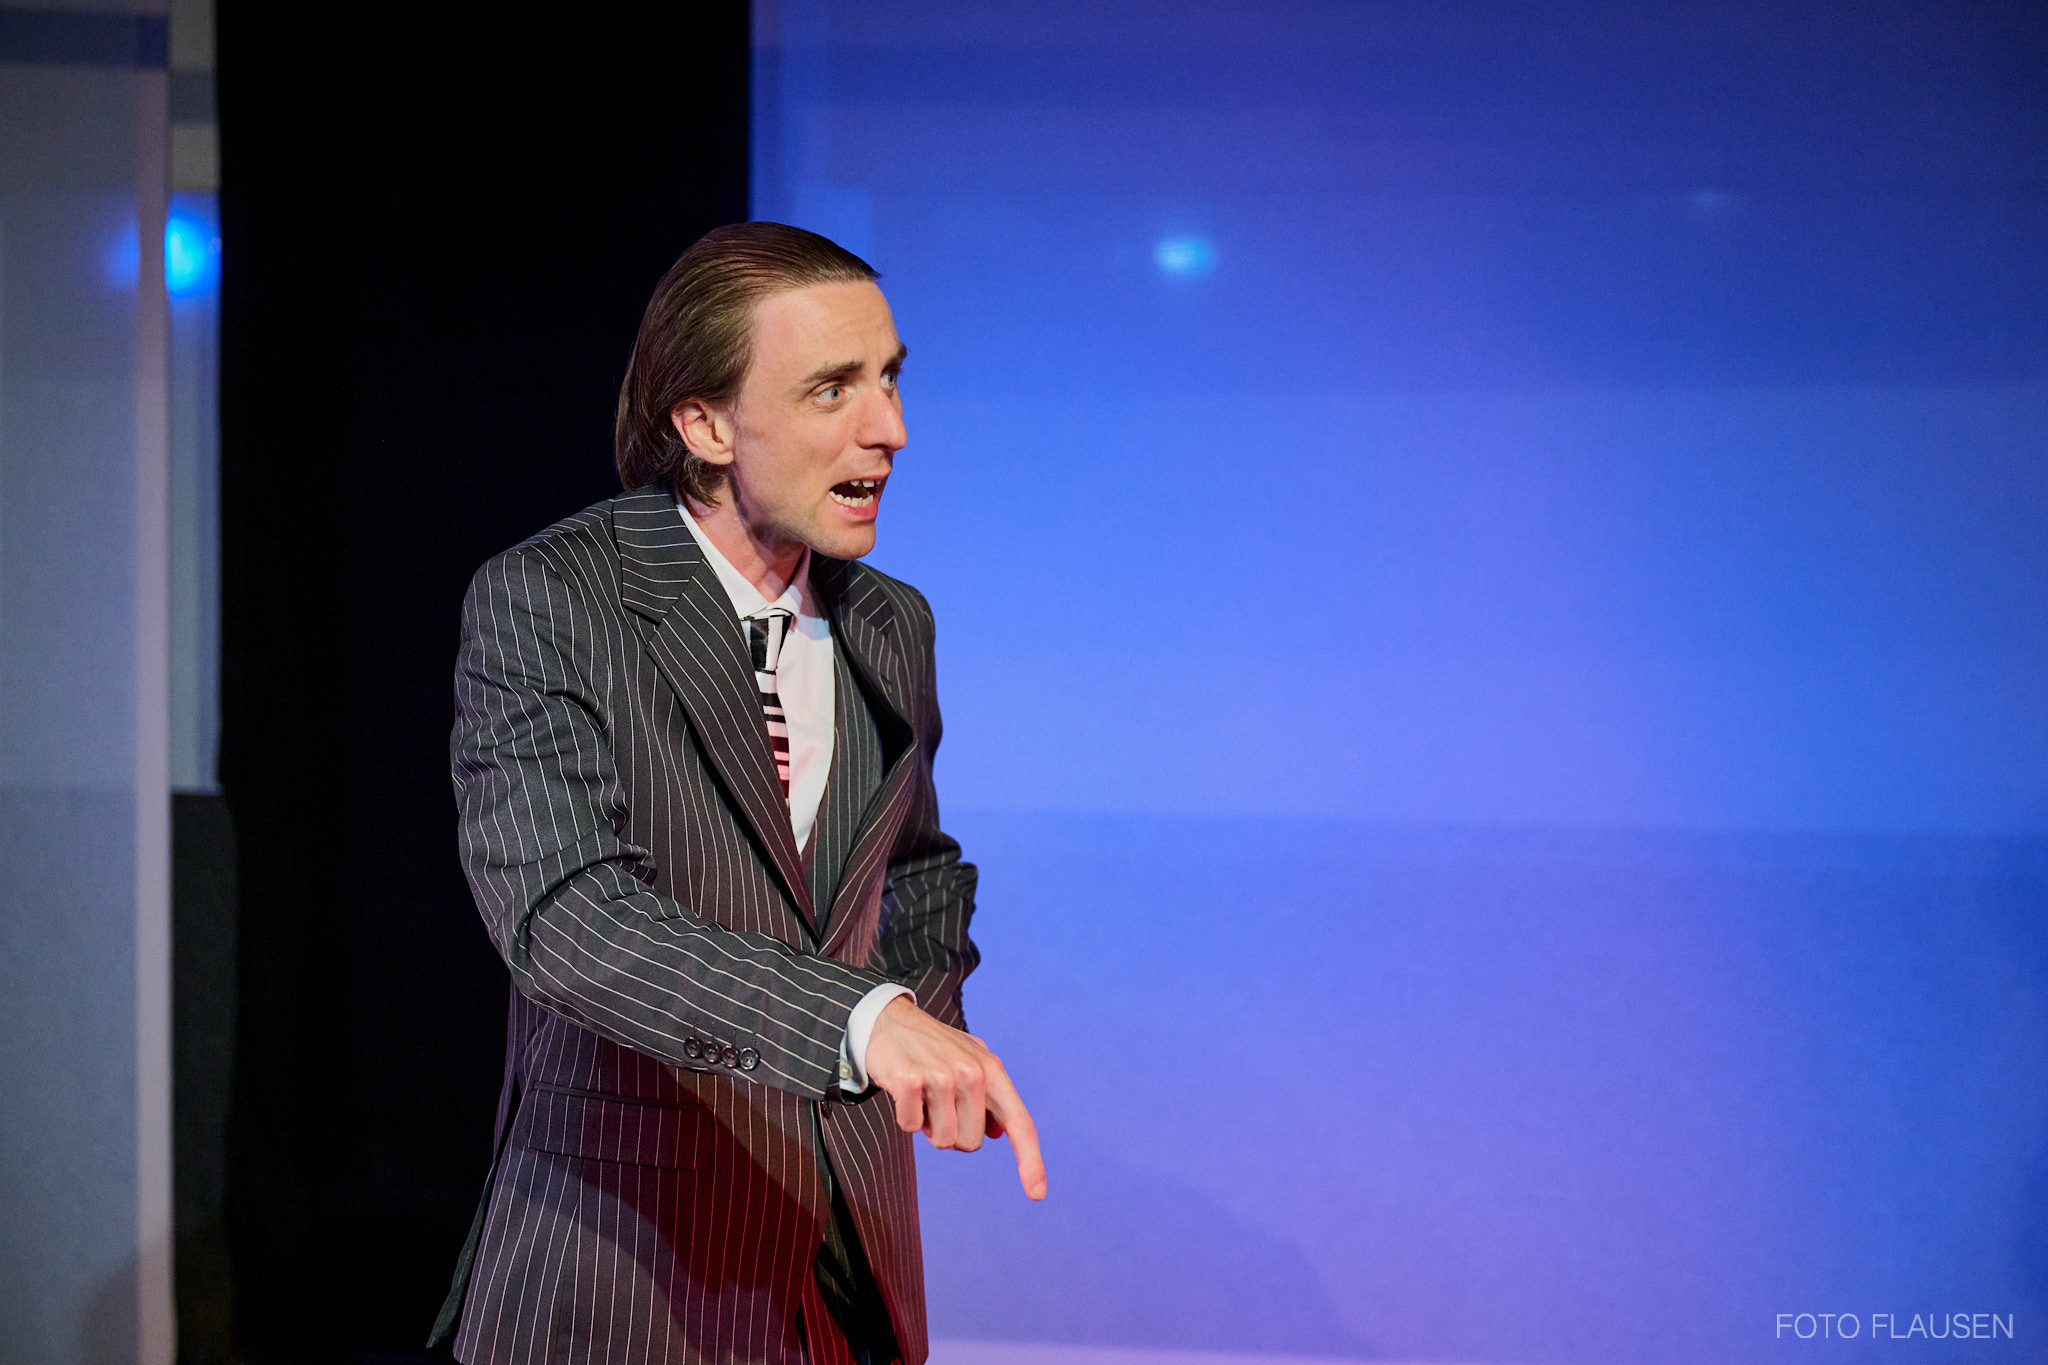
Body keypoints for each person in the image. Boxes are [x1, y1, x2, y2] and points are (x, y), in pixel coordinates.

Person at [428, 222, 1045, 1365]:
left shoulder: (889, 621)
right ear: (704, 425)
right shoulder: (553, 599)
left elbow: (912, 867)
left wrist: (919, 1024)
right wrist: (857, 1023)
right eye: (831, 389)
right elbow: (566, 920)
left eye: (889, 378)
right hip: (628, 1270)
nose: (889, 428)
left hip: (845, 1274)